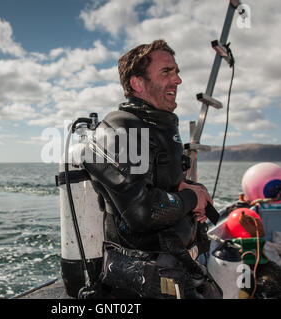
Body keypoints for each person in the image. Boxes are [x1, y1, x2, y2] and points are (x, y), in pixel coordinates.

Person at [81, 40, 217, 298]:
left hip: (179, 265)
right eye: (167, 72)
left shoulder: (156, 126)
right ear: (137, 83)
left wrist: (188, 188)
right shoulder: (120, 129)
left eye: (177, 72)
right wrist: (192, 198)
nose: (177, 81)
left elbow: (160, 183)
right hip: (143, 280)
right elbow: (143, 211)